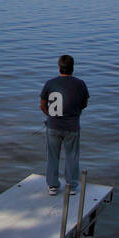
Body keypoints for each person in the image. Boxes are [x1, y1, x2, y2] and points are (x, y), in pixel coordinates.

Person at [40, 54, 89, 196]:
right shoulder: (80, 84)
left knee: (52, 156)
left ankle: (52, 186)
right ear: (73, 67)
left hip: (53, 126)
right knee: (72, 156)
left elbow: (42, 105)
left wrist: (50, 116)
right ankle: (72, 185)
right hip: (72, 127)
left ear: (59, 67)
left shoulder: (50, 83)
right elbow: (84, 103)